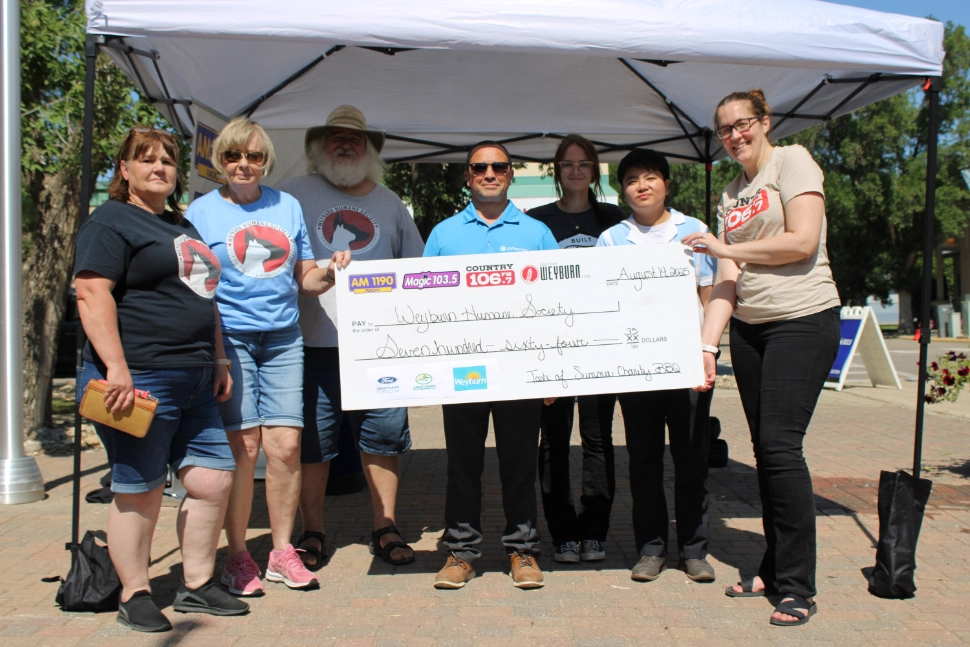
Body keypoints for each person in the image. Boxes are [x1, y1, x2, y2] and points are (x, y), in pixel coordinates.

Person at [74, 127, 248, 632]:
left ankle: (197, 586)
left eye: (168, 162)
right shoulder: (110, 221)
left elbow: (204, 298)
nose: (159, 168)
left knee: (213, 479)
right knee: (140, 487)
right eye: (146, 160)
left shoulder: (182, 225)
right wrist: (117, 368)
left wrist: (218, 359)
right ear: (123, 170)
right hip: (139, 378)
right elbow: (91, 293)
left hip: (195, 377)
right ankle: (135, 592)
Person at [682, 89, 841, 627]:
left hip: (803, 319)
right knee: (767, 451)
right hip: (750, 331)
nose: (734, 136)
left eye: (743, 123)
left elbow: (802, 241)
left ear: (764, 121)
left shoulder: (792, 161)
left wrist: (726, 249)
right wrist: (707, 345)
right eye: (724, 129)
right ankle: (774, 570)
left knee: (779, 449)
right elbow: (728, 280)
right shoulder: (732, 193)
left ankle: (798, 587)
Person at [187, 117, 349, 596]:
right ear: (221, 160)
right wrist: (216, 354)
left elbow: (305, 279)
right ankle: (238, 555)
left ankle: (281, 553)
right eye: (234, 155)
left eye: (253, 157)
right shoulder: (200, 212)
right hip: (230, 340)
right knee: (245, 450)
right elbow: (198, 292)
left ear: (266, 162)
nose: (243, 165)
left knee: (286, 448)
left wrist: (333, 272)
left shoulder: (288, 205)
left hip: (283, 338)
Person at [279, 106, 425, 569]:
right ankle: (313, 532)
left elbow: (415, 269)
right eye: (336, 138)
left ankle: (386, 526)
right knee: (313, 444)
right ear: (319, 147)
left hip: (377, 350)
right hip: (310, 344)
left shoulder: (390, 201)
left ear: (369, 150)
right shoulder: (293, 195)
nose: (345, 145)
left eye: (355, 139)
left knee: (383, 437)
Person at [423, 141, 559, 590]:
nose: (489, 173)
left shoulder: (537, 233)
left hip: (520, 371)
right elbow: (421, 302)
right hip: (462, 371)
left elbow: (559, 305)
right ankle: (460, 553)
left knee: (519, 464)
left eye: (498, 166)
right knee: (463, 465)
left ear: (510, 175)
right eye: (479, 167)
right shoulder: (443, 234)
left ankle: (523, 550)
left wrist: (552, 369)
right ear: (467, 175)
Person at [597, 148, 718, 584]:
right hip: (637, 369)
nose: (641, 186)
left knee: (692, 460)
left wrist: (709, 350)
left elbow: (710, 294)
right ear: (622, 189)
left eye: (650, 177)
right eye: (631, 180)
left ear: (667, 183)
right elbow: (603, 303)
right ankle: (651, 549)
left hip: (687, 365)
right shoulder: (610, 240)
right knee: (644, 461)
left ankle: (694, 551)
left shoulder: (696, 231)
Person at [526, 134, 624, 564]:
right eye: (567, 164)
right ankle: (563, 531)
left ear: (596, 170)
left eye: (585, 163)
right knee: (553, 441)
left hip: (603, 345)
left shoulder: (615, 218)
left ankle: (594, 531)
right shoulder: (539, 222)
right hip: (554, 347)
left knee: (598, 440)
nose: (576, 170)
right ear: (556, 170)